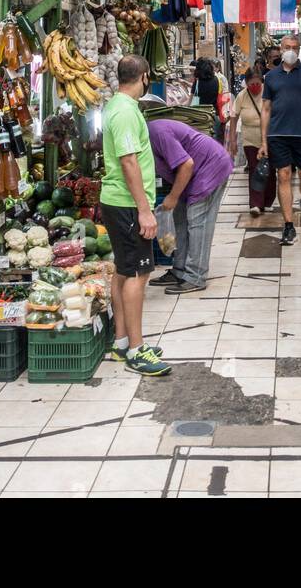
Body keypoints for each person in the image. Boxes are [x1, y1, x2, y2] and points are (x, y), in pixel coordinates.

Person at [99, 55, 171, 376]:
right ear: (143, 77)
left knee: (123, 270)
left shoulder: (115, 105)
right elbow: (128, 162)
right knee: (139, 274)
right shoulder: (126, 112)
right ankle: (137, 351)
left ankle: (121, 341)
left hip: (118, 201)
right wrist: (144, 210)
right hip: (128, 204)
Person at [145, 117, 234, 293]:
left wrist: (172, 196)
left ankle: (196, 276)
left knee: (197, 221)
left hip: (210, 166)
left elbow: (187, 164)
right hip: (190, 175)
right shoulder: (142, 140)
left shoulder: (156, 132)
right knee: (180, 218)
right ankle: (179, 271)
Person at [258, 33, 301, 245]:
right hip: (278, 135)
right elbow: (266, 109)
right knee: (283, 176)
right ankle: (288, 225)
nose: (291, 50)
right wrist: (263, 141)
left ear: (299, 49)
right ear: (280, 48)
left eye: (295, 47)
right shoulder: (271, 77)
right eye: (288, 46)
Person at [228, 66, 276, 216]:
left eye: (257, 84)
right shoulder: (242, 96)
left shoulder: (268, 93)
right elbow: (234, 117)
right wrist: (232, 140)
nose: (254, 87)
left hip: (269, 138)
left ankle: (268, 201)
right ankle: (256, 204)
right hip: (250, 138)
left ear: (262, 82)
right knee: (255, 170)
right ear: (246, 83)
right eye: (251, 84)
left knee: (269, 170)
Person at [193, 58, 221, 138]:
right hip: (214, 115)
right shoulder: (216, 80)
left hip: (200, 117)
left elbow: (190, 100)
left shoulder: (198, 82)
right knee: (214, 141)